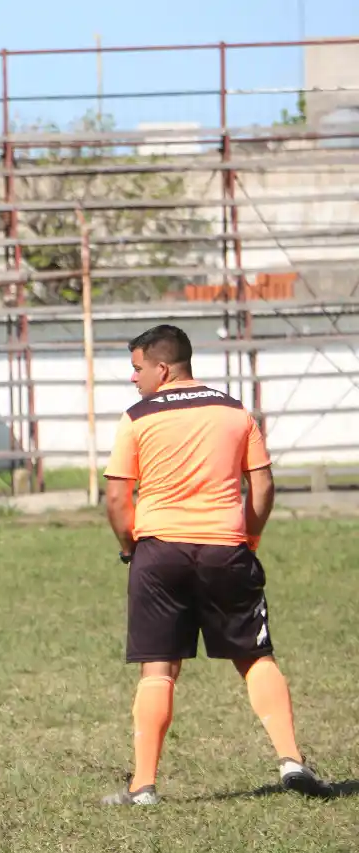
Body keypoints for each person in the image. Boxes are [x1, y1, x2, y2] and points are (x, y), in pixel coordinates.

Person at [100, 324, 332, 805]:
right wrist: (248, 537)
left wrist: (130, 545)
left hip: (160, 550)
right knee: (255, 657)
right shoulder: (235, 411)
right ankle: (292, 760)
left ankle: (143, 786)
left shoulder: (137, 417)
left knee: (158, 669)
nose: (133, 379)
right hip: (227, 549)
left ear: (162, 368)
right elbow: (263, 488)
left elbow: (118, 496)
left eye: (137, 368)